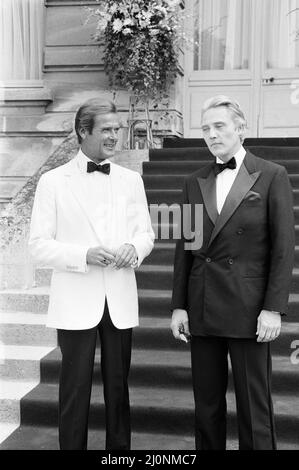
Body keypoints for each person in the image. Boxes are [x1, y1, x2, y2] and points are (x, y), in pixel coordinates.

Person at [29, 98, 154, 450]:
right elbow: (37, 245)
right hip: (75, 302)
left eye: (118, 129)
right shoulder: (53, 182)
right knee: (74, 392)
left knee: (119, 391)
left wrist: (136, 248)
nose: (116, 136)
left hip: (119, 298)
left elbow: (145, 233)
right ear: (83, 132)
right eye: (107, 130)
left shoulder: (131, 180)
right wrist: (84, 255)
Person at [170, 95, 295, 450]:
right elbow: (186, 248)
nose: (211, 134)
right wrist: (179, 305)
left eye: (219, 126)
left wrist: (273, 307)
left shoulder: (272, 175)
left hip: (249, 309)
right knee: (206, 407)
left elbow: (283, 249)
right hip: (203, 305)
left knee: (255, 409)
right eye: (205, 128)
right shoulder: (194, 181)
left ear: (240, 128)